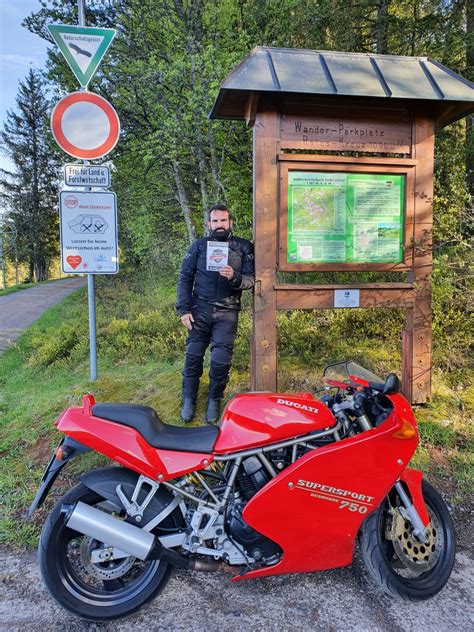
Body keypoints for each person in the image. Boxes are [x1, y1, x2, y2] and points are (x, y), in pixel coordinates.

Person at [176, 204, 254, 423]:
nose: (220, 225)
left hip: (227, 311)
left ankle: (214, 400)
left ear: (230, 223)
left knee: (220, 360)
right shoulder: (199, 246)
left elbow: (251, 279)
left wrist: (235, 277)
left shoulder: (243, 246)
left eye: (223, 221)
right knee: (193, 357)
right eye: (215, 221)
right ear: (208, 224)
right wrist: (183, 310)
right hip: (199, 310)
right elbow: (185, 278)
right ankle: (189, 399)